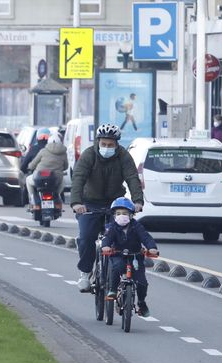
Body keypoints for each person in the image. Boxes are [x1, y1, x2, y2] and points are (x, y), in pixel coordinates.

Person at [70, 124, 144, 292]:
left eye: (111, 145)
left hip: (115, 203)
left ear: (117, 144)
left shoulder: (124, 156)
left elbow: (132, 178)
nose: (107, 147)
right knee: (87, 237)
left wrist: (137, 201)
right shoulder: (89, 155)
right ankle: (85, 272)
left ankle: (119, 271)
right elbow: (79, 178)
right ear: (98, 142)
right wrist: (76, 203)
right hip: (89, 203)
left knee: (122, 236)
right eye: (104, 144)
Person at [100, 197, 159, 318]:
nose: (121, 216)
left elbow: (146, 238)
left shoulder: (136, 226)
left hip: (135, 257)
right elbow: (107, 238)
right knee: (117, 267)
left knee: (142, 283)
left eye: (125, 213)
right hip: (118, 255)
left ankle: (141, 303)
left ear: (131, 215)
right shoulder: (112, 227)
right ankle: (113, 290)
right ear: (114, 215)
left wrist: (152, 247)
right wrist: (105, 246)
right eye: (118, 214)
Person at [25, 131, 68, 206]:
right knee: (63, 181)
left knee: (28, 180)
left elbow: (33, 164)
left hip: (40, 178)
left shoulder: (43, 151)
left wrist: (30, 167)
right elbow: (66, 166)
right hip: (56, 179)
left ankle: (32, 198)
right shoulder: (63, 153)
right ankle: (57, 195)